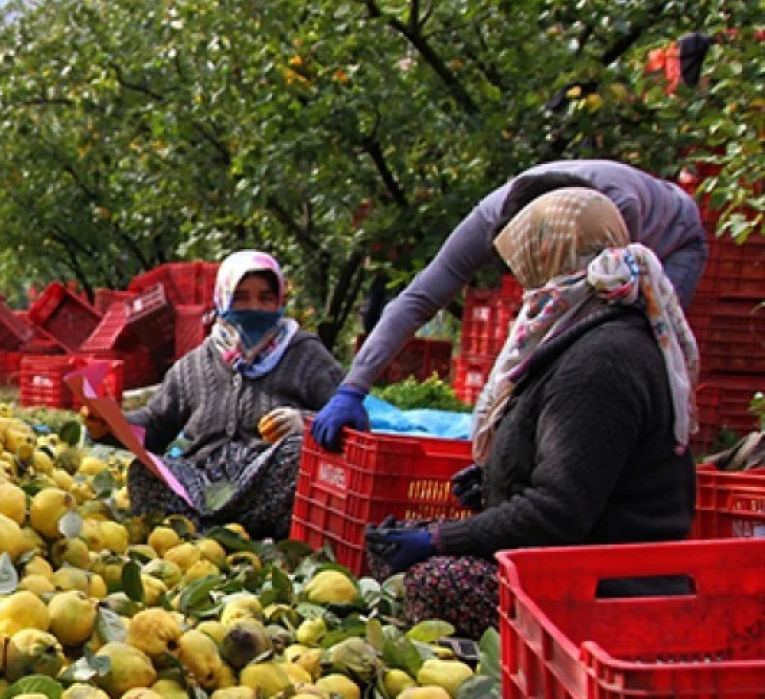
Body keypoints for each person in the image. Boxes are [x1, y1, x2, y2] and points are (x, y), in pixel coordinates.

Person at [366, 188, 698, 638]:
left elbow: (559, 511)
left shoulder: (601, 361)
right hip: (573, 560)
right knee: (389, 546)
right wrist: (495, 483)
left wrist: (441, 539)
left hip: (599, 587)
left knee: (433, 583)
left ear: (550, 262)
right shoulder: (586, 335)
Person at [313, 159, 708, 450]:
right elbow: (418, 298)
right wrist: (353, 387)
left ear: (549, 239)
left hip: (677, 237)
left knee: (623, 340)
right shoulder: (488, 217)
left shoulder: (608, 210)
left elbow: (594, 311)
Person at [84, 251, 343, 538]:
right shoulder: (196, 363)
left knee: (297, 457)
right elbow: (156, 425)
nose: (253, 307)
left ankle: (234, 533)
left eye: (265, 298)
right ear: (222, 299)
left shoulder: (306, 354)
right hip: (203, 487)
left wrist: (305, 423)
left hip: (266, 488)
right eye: (241, 297)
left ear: (279, 302)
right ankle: (209, 535)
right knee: (145, 473)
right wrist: (109, 424)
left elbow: (350, 420)